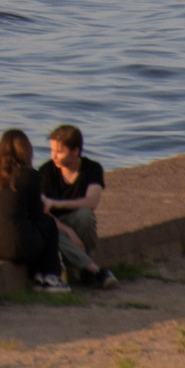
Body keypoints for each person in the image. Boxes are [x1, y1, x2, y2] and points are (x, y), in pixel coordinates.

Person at [0, 129, 66, 289]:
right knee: (48, 224)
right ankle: (51, 276)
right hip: (15, 249)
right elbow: (37, 215)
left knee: (25, 229)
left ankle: (39, 273)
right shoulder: (29, 176)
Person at [40, 123, 116, 289]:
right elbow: (43, 211)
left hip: (76, 221)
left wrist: (57, 204)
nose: (54, 156)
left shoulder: (91, 168)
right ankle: (94, 270)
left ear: (75, 151)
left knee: (85, 215)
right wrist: (68, 231)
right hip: (55, 224)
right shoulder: (46, 171)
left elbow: (92, 202)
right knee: (52, 233)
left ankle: (84, 268)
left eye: (59, 152)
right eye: (52, 150)